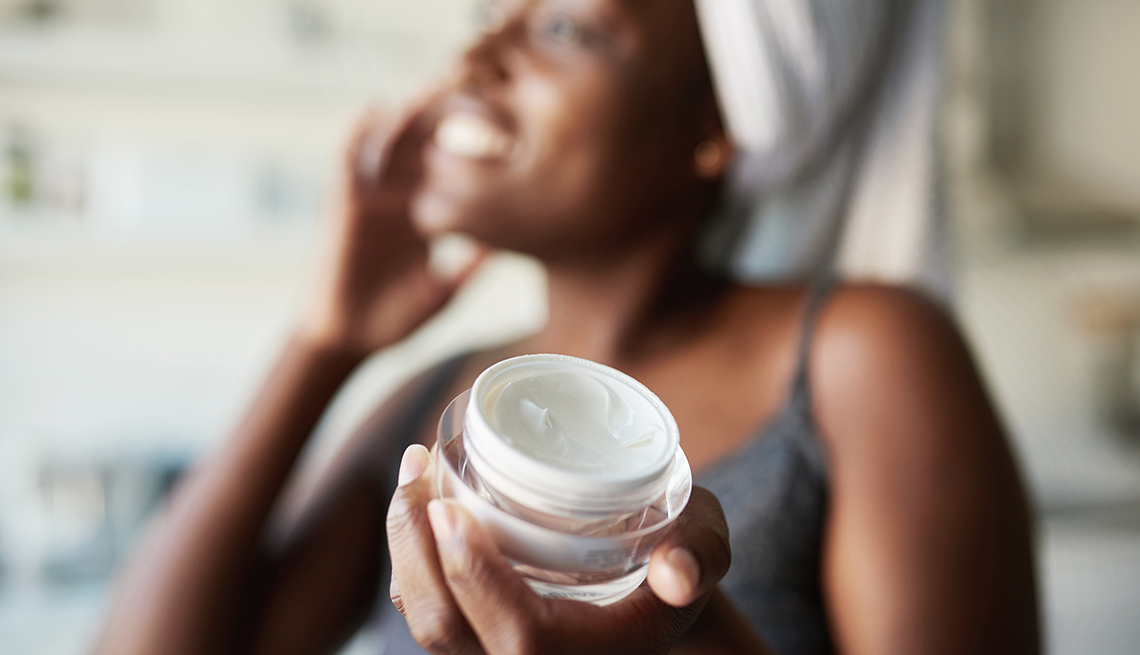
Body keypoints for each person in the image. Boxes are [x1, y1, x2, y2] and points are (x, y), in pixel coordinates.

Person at [93, 1, 1039, 653]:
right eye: (490, 16)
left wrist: (686, 632)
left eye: (562, 27)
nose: (476, 57)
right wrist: (323, 345)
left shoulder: (862, 354)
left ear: (714, 124)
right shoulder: (442, 397)